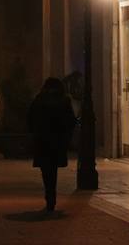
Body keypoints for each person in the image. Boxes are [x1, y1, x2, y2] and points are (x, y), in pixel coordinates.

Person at [27, 77, 77, 213]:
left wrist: (34, 133)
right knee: (53, 170)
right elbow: (71, 121)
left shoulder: (39, 99)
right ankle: (51, 197)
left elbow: (30, 119)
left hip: (42, 141)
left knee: (46, 171)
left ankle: (49, 197)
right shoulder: (64, 100)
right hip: (58, 141)